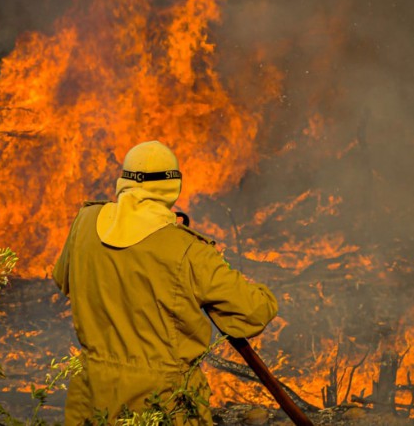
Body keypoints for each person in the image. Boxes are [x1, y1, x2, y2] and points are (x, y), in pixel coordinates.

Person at [53, 140, 278, 425]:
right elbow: (252, 314)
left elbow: (63, 278)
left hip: (90, 398)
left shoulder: (84, 222)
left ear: (124, 180)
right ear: (173, 187)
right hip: (162, 403)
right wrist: (259, 289)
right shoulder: (189, 250)